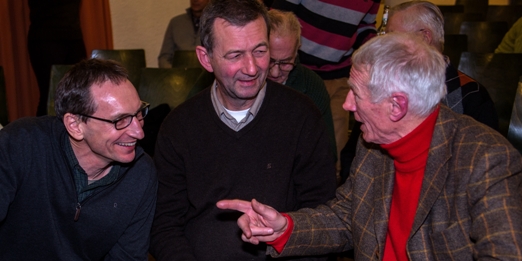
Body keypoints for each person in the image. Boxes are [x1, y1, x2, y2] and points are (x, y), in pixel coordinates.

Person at [217, 32, 522, 260]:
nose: (347, 105)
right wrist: (284, 228)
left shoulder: (486, 159)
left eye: (356, 94)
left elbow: (505, 254)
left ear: (396, 106)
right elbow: (346, 218)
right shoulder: (374, 147)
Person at [149, 0, 337, 260]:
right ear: (206, 58)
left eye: (260, 51)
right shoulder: (179, 127)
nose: (252, 68)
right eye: (235, 55)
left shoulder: (302, 116)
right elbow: (165, 226)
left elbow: (322, 220)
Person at [0, 59, 158, 260]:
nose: (139, 132)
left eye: (138, 114)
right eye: (120, 120)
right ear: (75, 125)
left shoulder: (141, 173)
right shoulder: (21, 144)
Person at [339, 0, 500, 183]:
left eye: (392, 37)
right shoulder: (380, 87)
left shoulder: (471, 95)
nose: (384, 44)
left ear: (424, 37)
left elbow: (477, 172)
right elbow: (351, 158)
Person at [187, 8, 338, 163]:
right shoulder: (217, 79)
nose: (275, 72)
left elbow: (326, 155)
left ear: (296, 53)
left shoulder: (310, 86)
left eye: (286, 62)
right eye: (270, 60)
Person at [271, 0, 381, 178]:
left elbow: (365, 26)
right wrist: (284, 61)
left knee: (332, 156)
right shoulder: (279, 68)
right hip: (295, 70)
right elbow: (279, 15)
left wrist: (377, 54)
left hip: (338, 74)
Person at [27, 0, 87, 116]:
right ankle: (43, 133)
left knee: (80, 91)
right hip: (46, 37)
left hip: (74, 36)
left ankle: (77, 130)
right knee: (51, 94)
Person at [158, 0, 210, 68]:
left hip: (207, 75)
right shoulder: (176, 23)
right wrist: (172, 73)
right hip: (177, 75)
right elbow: (164, 57)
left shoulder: (216, 23)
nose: (195, 0)